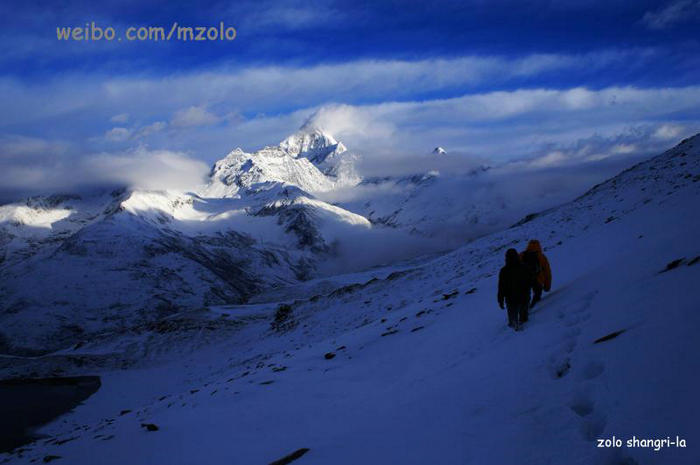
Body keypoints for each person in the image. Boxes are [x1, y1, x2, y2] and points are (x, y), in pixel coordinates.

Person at [497, 248, 531, 331]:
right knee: (524, 319)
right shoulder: (524, 267)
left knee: (512, 321)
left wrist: (500, 300)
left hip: (511, 299)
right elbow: (530, 281)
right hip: (524, 296)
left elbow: (501, 287)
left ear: (506, 258)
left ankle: (514, 330)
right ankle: (525, 331)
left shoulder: (504, 271)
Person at [520, 239, 552, 309]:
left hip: (525, 279)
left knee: (525, 295)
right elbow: (547, 272)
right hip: (538, 279)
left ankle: (524, 310)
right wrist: (547, 286)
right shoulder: (542, 257)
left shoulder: (522, 255)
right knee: (537, 294)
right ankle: (534, 307)